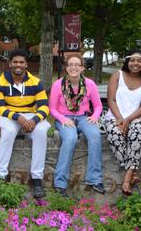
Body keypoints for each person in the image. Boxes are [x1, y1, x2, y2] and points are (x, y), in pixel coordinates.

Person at [0, 49, 50, 198]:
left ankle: (37, 179)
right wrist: (18, 117)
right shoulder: (0, 82)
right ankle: (0, 176)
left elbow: (44, 106)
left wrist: (34, 120)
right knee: (8, 132)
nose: (18, 65)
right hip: (10, 115)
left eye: (22, 62)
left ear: (26, 65)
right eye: (15, 62)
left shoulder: (36, 82)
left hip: (31, 115)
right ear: (10, 63)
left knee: (41, 132)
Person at [49, 54, 105, 196]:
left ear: (82, 68)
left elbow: (98, 106)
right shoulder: (58, 85)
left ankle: (95, 179)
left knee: (95, 135)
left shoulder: (90, 84)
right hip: (64, 118)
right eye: (70, 65)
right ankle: (60, 183)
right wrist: (62, 119)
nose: (73, 67)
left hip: (83, 117)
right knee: (70, 138)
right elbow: (52, 109)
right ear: (66, 68)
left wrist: (94, 117)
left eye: (77, 64)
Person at [103, 50, 141, 196]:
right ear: (127, 61)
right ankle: (133, 171)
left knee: (136, 130)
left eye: (139, 61)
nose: (136, 64)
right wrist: (120, 118)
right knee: (114, 133)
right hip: (116, 115)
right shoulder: (117, 76)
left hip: (140, 117)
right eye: (132, 60)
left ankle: (127, 177)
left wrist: (128, 120)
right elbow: (111, 100)